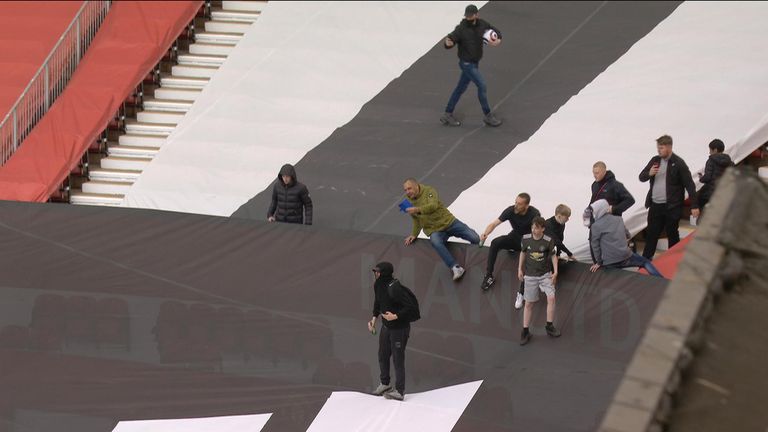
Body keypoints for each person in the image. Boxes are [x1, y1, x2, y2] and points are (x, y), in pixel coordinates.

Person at [402, 178, 480, 280]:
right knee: (435, 242)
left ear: (416, 186)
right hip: (434, 230)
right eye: (405, 190)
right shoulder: (407, 201)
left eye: (409, 189)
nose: (407, 192)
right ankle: (455, 267)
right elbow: (416, 220)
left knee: (475, 239)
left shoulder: (429, 191)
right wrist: (414, 234)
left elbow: (433, 206)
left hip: (449, 223)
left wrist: (417, 209)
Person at [440, 4, 502, 128]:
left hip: (475, 63)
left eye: (471, 15)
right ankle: (487, 115)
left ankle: (447, 114)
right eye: (467, 16)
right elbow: (449, 42)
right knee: (482, 85)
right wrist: (448, 42)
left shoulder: (482, 24)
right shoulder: (461, 29)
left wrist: (497, 41)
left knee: (460, 89)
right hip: (467, 65)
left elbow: (497, 33)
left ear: (476, 15)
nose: (468, 18)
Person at [638, 135, 699, 259]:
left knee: (672, 234)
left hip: (672, 206)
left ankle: (672, 262)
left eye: (661, 148)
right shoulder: (655, 160)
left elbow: (689, 185)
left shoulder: (678, 163)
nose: (658, 150)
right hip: (655, 205)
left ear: (669, 147)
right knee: (651, 234)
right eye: (658, 148)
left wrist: (694, 205)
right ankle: (644, 262)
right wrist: (649, 174)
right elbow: (641, 177)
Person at [479, 193, 540, 311]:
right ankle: (489, 275)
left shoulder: (534, 214)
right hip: (514, 238)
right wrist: (485, 233)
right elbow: (494, 223)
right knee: (496, 242)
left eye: (519, 204)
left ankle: (521, 294)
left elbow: (537, 234)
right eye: (516, 202)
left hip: (528, 242)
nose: (516, 205)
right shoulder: (510, 210)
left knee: (530, 262)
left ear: (526, 206)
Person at [369, 262, 418, 401]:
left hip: (399, 329)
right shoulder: (377, 284)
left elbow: (409, 307)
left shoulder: (395, 288)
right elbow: (377, 302)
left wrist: (394, 316)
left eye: (378, 272)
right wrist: (373, 319)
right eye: (375, 271)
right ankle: (385, 384)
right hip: (386, 327)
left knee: (398, 359)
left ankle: (400, 391)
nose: (376, 274)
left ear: (384, 273)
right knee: (382, 355)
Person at [585, 199, 663, 277]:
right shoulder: (618, 219)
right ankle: (661, 281)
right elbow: (628, 235)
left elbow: (595, 246)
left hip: (609, 262)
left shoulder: (595, 226)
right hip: (625, 256)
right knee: (646, 262)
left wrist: (598, 262)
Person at [518, 217, 560, 345]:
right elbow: (523, 252)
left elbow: (553, 256)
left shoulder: (548, 241)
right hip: (530, 276)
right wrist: (519, 268)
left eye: (536, 228)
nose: (534, 230)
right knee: (529, 303)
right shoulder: (525, 239)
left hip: (545, 275)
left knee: (551, 298)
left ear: (543, 229)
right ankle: (525, 331)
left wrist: (555, 271)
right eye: (533, 227)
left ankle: (549, 326)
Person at [697, 139, 733, 213]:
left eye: (710, 150)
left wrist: (701, 178)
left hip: (710, 193)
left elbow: (707, 177)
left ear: (715, 150)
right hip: (725, 192)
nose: (709, 152)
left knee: (699, 203)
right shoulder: (730, 162)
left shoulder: (711, 161)